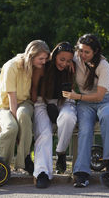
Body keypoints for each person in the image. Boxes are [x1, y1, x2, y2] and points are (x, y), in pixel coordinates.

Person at [62, 34, 109, 188]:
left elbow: (100, 95)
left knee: (107, 117)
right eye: (81, 51)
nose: (83, 55)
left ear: (95, 52)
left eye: (87, 52)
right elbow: (59, 56)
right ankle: (81, 173)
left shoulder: (103, 65)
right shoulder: (76, 58)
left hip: (104, 100)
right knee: (85, 129)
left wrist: (77, 96)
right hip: (84, 104)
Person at [0, 40, 50, 174]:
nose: (44, 62)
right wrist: (16, 125)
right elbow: (11, 98)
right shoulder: (11, 66)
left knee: (23, 114)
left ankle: (24, 160)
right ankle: (1, 166)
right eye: (41, 58)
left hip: (25, 102)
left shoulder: (37, 65)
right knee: (12, 127)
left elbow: (61, 57)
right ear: (31, 56)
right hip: (3, 106)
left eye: (45, 58)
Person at [31, 42, 77, 188]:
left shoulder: (72, 67)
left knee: (68, 118)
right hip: (42, 102)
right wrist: (32, 109)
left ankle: (61, 152)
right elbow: (34, 89)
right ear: (55, 55)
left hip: (64, 101)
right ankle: (42, 173)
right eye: (62, 59)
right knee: (44, 133)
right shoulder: (44, 66)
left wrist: (72, 70)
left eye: (68, 60)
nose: (65, 63)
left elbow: (91, 56)